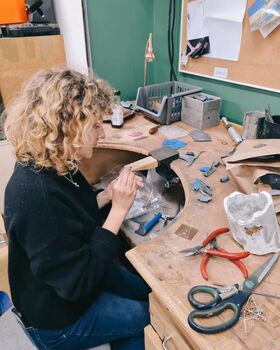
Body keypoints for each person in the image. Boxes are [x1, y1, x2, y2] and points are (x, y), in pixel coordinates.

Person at [2, 69, 150, 350]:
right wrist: (118, 210)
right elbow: (77, 283)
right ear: (65, 128)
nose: (102, 133)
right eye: (95, 125)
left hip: (70, 276)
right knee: (147, 315)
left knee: (146, 292)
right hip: (56, 318)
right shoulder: (37, 196)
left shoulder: (55, 163)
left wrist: (107, 195)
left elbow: (72, 215)